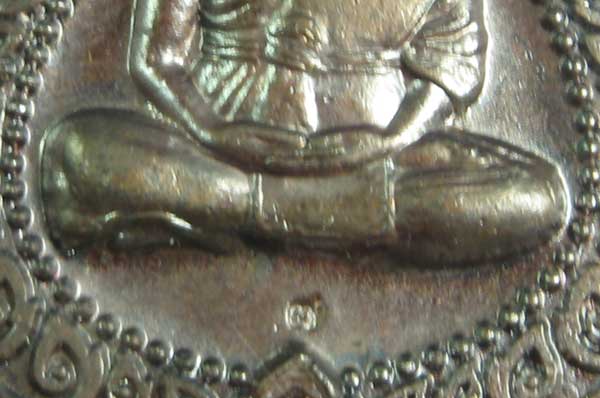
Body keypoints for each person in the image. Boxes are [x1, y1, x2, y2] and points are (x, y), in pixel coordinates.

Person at [42, 0, 569, 265]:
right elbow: (158, 59)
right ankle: (351, 219)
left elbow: (454, 66)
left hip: (379, 154)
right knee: (77, 148)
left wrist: (390, 138)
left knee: (538, 197)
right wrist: (212, 129)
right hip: (218, 147)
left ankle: (241, 211)